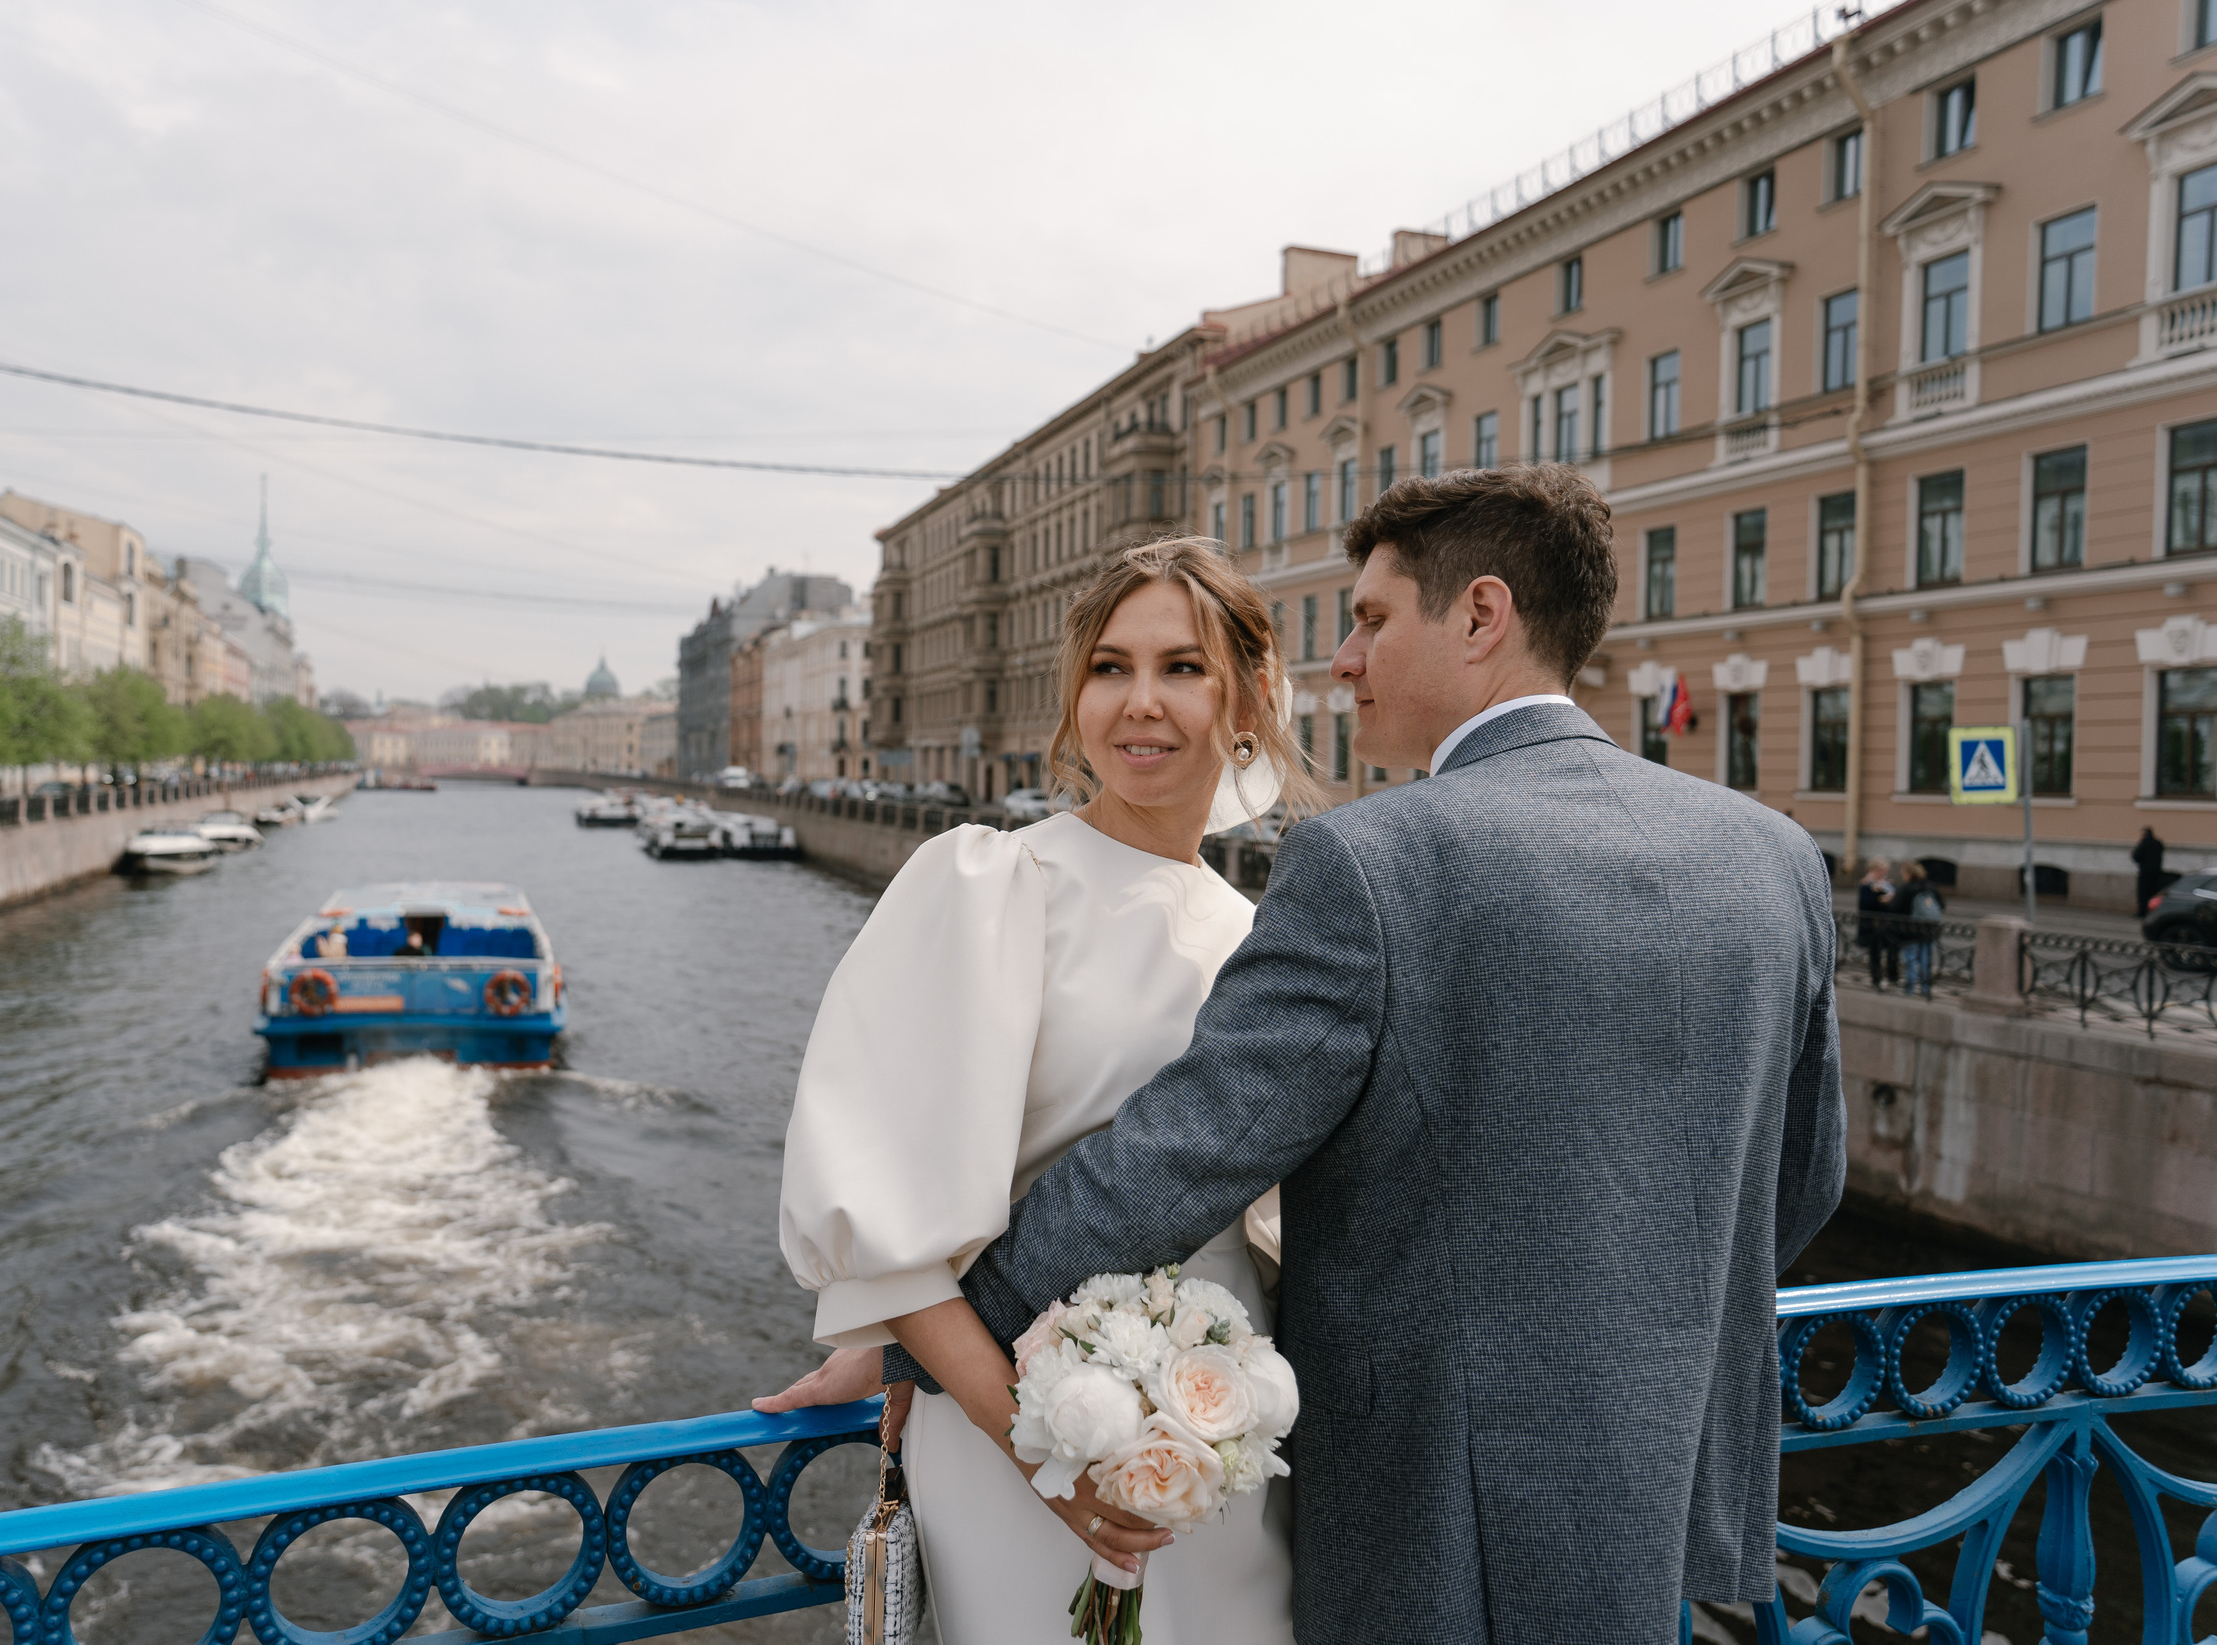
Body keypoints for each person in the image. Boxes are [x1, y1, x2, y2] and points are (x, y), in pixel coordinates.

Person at [948, 466, 1844, 1643]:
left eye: (1370, 620)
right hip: (1659, 1467)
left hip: (1432, 1511)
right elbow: (1805, 1179)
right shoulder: (1772, 857)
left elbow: (1177, 1159)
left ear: (1480, 617)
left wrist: (941, 1332)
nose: (1343, 661)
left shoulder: (1370, 865)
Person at [766, 536, 1306, 1643]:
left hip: (1227, 1438)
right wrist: (1042, 1459)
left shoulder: (1269, 934)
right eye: (1109, 668)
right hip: (1011, 1434)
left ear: (1249, 698)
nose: (1138, 703)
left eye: (1182, 669)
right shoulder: (993, 884)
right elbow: (891, 1223)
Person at [1895, 860, 1941, 997]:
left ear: (1908, 874)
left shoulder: (1906, 888)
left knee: (1911, 960)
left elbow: (1896, 907)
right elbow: (1941, 905)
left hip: (1910, 930)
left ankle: (1910, 989)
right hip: (1929, 930)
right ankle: (1925, 988)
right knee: (1925, 959)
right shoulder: (1930, 887)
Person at [1856, 857, 1895, 989]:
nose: (1884, 873)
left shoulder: (1885, 883)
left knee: (1890, 951)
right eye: (1882, 870)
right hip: (1872, 924)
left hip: (1885, 924)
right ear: (1875, 870)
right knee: (1875, 952)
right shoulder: (1866, 884)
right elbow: (1865, 904)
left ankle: (1891, 977)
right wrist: (1882, 899)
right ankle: (1876, 979)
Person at [2135, 825, 2167, 917]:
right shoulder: (2158, 843)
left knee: (2143, 893)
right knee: (2154, 893)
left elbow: (2136, 855)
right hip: (2156, 872)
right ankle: (2153, 912)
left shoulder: (2144, 843)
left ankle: (2142, 912)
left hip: (2145, 872)